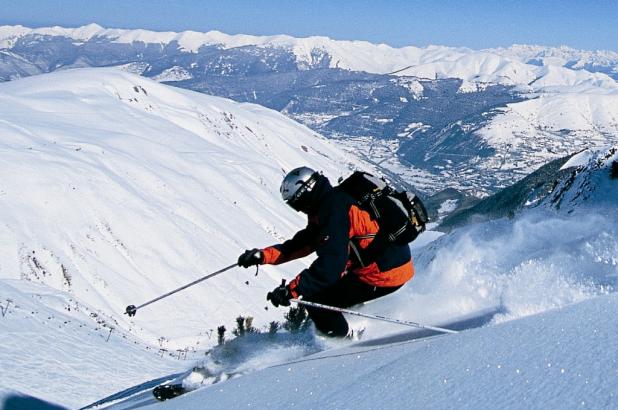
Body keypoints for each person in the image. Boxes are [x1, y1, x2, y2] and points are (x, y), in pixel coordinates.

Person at [238, 166, 414, 337]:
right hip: (388, 264)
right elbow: (304, 243)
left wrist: (292, 290)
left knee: (316, 301)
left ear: (305, 194)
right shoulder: (329, 202)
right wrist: (262, 256)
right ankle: (347, 324)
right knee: (326, 295)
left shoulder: (334, 211)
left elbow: (331, 266)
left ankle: (344, 343)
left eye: (296, 203)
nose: (298, 208)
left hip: (385, 273)